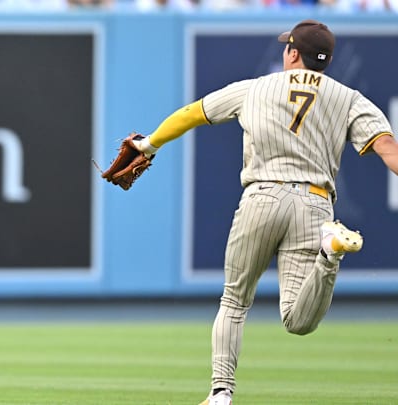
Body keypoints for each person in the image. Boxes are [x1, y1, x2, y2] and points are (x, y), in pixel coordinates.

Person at [129, 20, 398, 405]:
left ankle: (221, 393)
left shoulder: (254, 88)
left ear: (292, 53)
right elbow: (387, 146)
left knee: (235, 301)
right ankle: (329, 253)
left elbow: (192, 113)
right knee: (298, 321)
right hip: (314, 204)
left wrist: (150, 144)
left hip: (262, 196)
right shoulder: (349, 98)